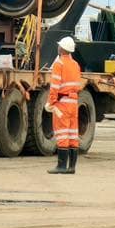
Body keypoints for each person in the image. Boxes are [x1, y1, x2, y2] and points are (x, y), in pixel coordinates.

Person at [46, 35, 83, 175]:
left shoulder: (59, 64)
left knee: (62, 134)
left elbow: (55, 85)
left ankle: (61, 166)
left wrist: (51, 102)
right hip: (73, 102)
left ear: (61, 48)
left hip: (62, 103)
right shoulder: (75, 65)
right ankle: (72, 166)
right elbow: (78, 85)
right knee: (73, 134)